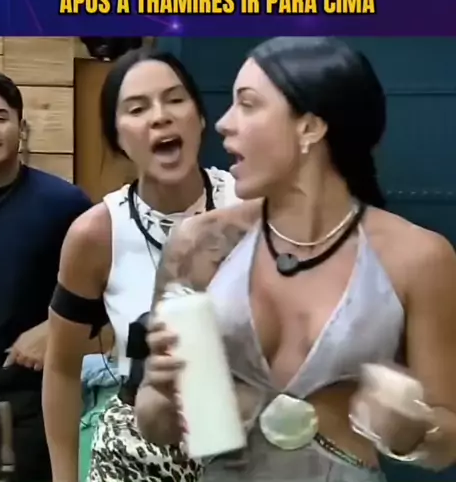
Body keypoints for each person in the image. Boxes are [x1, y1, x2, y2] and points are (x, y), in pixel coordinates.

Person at [135, 37, 456, 482]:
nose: (224, 124)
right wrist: (160, 391)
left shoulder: (419, 257)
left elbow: (447, 444)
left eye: (248, 104)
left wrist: (413, 429)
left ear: (310, 127)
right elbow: (156, 426)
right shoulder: (198, 244)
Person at [42, 48, 241, 482]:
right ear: (117, 137)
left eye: (175, 99)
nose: (160, 117)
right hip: (138, 453)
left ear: (200, 117)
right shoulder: (96, 233)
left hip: (248, 450)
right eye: (137, 108)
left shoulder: (247, 205)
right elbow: (60, 368)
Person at [0, 71, 93, 481]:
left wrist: (53, 330)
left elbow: (110, 296)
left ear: (21, 127)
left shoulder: (66, 205)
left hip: (36, 397)